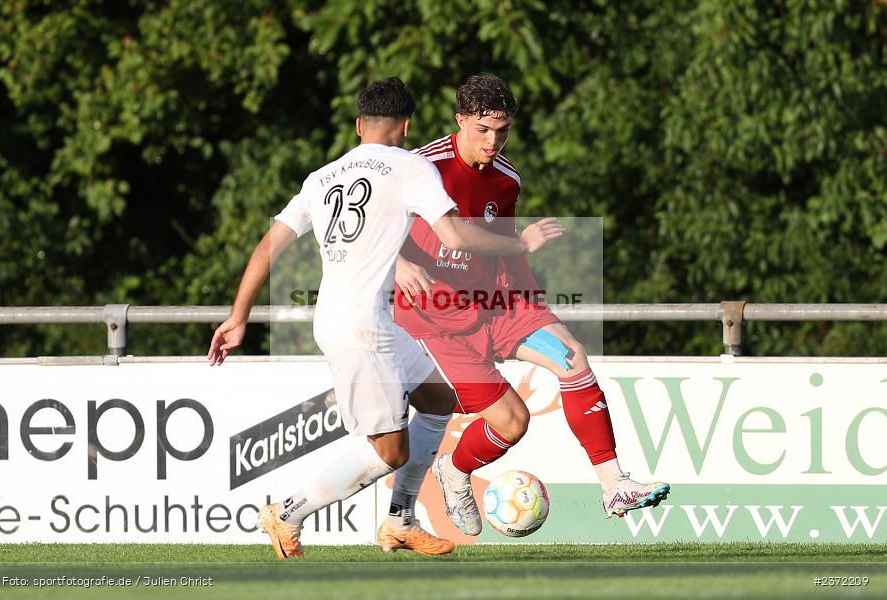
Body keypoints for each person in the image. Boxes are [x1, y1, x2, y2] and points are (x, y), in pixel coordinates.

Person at [206, 77, 563, 558]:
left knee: (437, 399)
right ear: (407, 125)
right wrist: (521, 243)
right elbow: (456, 237)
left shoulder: (321, 176)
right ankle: (287, 511)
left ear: (359, 125)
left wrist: (238, 316)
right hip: (361, 330)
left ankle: (400, 520)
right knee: (389, 451)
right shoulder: (412, 167)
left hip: (362, 318)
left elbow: (268, 246)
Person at [392, 73, 670, 536]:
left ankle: (613, 484)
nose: (492, 140)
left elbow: (502, 244)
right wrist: (399, 264)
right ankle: (455, 471)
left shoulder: (506, 179)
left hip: (495, 303)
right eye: (482, 129)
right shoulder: (422, 167)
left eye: (502, 130)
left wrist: (535, 306)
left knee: (572, 356)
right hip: (436, 320)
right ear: (460, 119)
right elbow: (368, 226)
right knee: (512, 422)